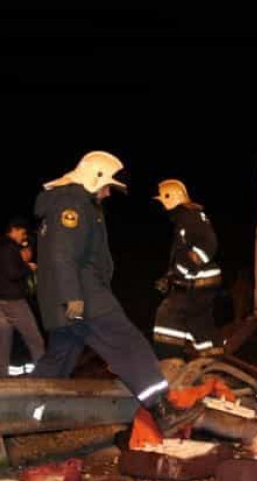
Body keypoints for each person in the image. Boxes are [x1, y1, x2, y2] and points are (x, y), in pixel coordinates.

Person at [30, 151, 202, 435]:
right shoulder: (72, 204)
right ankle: (162, 411)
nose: (108, 192)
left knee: (59, 359)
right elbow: (62, 253)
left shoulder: (70, 202)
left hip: (67, 294)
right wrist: (73, 296)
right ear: (93, 178)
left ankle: (25, 412)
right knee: (128, 343)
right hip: (82, 293)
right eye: (107, 186)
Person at [153, 179, 222, 358]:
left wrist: (182, 271)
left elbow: (209, 243)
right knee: (197, 319)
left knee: (168, 314)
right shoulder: (190, 216)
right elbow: (184, 252)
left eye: (163, 200)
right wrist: (171, 276)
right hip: (202, 280)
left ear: (170, 198)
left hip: (199, 280)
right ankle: (211, 356)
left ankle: (168, 359)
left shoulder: (187, 216)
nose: (162, 206)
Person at [0, 218, 46, 377]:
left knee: (4, 343)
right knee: (35, 340)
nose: (23, 237)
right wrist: (28, 268)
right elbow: (13, 273)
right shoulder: (10, 247)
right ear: (14, 230)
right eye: (23, 233)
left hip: (0, 301)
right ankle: (44, 377)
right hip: (14, 301)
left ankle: (0, 378)